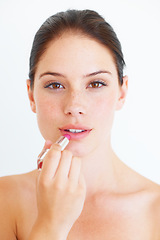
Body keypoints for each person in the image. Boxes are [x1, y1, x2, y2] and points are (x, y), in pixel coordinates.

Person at [0, 9, 160, 240]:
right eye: (55, 85)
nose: (74, 106)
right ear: (31, 95)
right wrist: (51, 224)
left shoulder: (154, 210)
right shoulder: (4, 200)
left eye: (95, 84)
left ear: (122, 92)